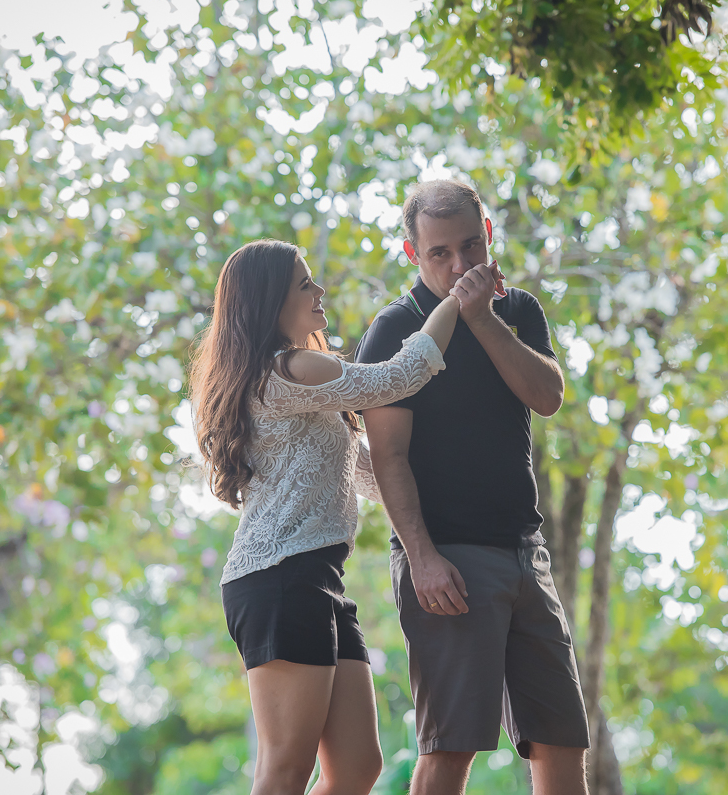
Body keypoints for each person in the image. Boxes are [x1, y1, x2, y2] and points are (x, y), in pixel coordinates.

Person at [187, 238, 460, 795]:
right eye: (304, 283)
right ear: (270, 301)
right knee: (285, 768)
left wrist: (438, 505)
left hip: (316, 581)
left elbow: (357, 472)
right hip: (280, 578)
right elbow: (395, 379)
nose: (320, 291)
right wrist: (455, 299)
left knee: (356, 769)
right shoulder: (290, 368)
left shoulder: (286, 378)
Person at [354, 180, 590, 795]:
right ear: (413, 254)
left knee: (561, 742)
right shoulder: (394, 331)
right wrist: (422, 558)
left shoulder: (519, 312)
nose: (460, 267)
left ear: (487, 234)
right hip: (446, 561)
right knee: (449, 748)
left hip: (525, 554)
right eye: (439, 254)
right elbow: (388, 458)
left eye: (470, 246)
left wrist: (480, 317)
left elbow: (547, 397)